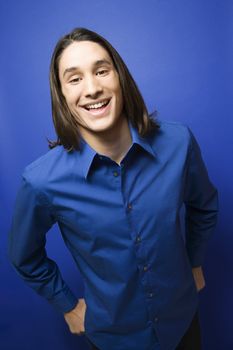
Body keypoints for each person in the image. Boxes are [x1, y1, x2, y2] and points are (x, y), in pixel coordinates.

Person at [8, 27, 218, 350]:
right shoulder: (41, 181)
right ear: (62, 95)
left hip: (184, 325)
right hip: (112, 340)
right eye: (74, 79)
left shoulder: (178, 143)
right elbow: (24, 257)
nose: (92, 88)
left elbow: (204, 205)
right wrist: (67, 304)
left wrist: (196, 261)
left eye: (101, 71)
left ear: (120, 77)